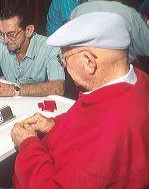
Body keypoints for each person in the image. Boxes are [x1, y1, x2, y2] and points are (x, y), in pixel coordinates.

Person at [11, 12, 149, 188]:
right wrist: (53, 126)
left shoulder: (107, 136)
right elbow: (85, 122)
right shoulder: (138, 79)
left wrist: (28, 144)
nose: (64, 66)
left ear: (89, 62)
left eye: (64, 59)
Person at [0, 6, 65, 97]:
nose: (6, 40)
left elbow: (59, 88)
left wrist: (14, 90)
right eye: (2, 34)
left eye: (11, 34)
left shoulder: (50, 48)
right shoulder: (1, 44)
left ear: (28, 30)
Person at [70, 0, 149, 61]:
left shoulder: (77, 12)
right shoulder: (130, 15)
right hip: (119, 73)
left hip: (85, 72)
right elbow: (147, 48)